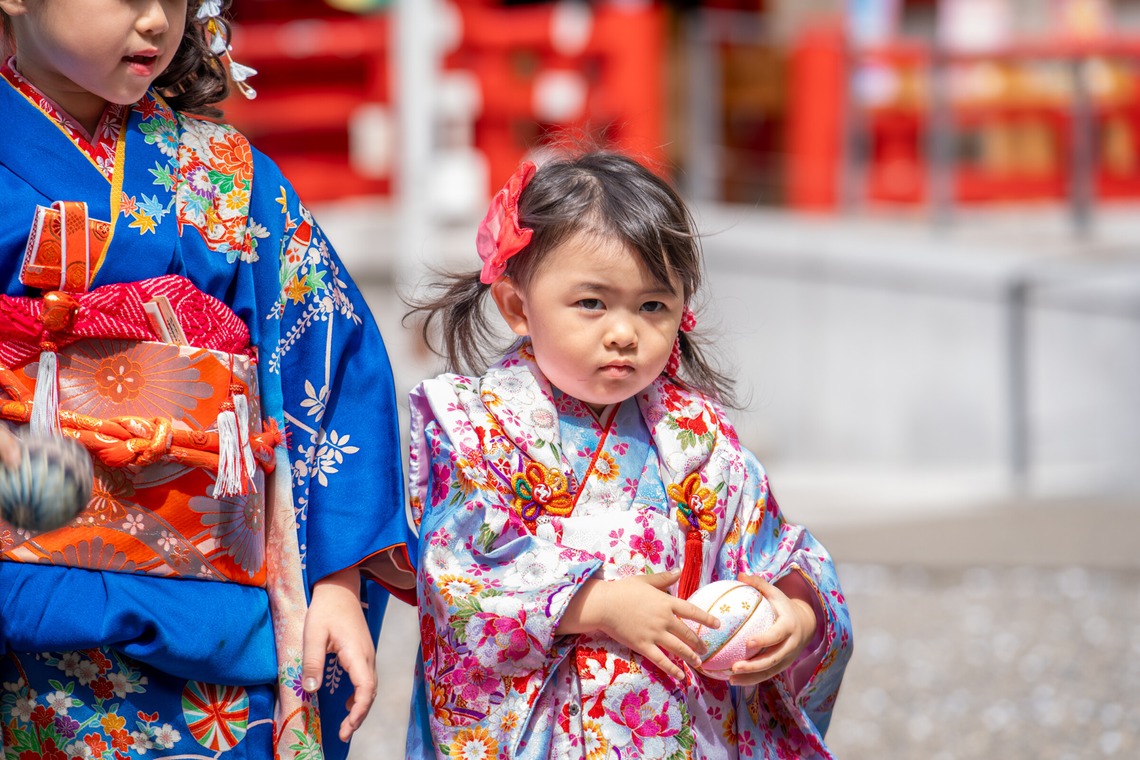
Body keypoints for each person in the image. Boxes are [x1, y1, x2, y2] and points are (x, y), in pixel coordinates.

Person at [0, 2, 414, 759]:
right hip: (20, 618)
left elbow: (331, 360)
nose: (157, 20)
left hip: (215, 632)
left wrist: (337, 582)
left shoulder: (228, 176)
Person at [402, 150, 853, 758]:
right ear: (517, 307)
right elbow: (456, 571)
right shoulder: (476, 428)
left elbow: (771, 551)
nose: (623, 331)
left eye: (652, 306)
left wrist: (796, 617)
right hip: (543, 729)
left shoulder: (696, 438)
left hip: (676, 723)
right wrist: (596, 604)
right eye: (592, 303)